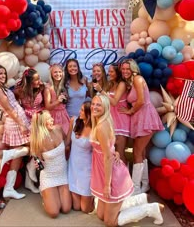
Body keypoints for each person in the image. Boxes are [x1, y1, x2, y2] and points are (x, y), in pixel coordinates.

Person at [90, 94, 164, 226]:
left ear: (106, 107)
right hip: (103, 170)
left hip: (111, 174)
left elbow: (107, 157)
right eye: (93, 103)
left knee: (109, 222)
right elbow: (112, 143)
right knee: (100, 215)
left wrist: (107, 185)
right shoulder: (101, 121)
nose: (94, 107)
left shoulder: (101, 126)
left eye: (98, 105)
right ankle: (139, 199)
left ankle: (151, 209)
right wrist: (116, 152)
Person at [120, 59, 164, 195]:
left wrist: (130, 111)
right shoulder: (131, 82)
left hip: (145, 116)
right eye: (123, 69)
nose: (125, 71)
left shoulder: (138, 79)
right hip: (139, 118)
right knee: (142, 152)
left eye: (128, 69)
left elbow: (141, 101)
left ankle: (136, 188)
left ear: (134, 69)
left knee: (136, 152)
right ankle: (145, 185)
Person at [0, 65, 29, 200]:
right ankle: (7, 154)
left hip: (16, 120)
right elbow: (9, 109)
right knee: (32, 146)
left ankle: (8, 189)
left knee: (18, 157)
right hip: (15, 121)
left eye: (4, 73)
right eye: (0, 74)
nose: (3, 76)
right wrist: (21, 123)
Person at [30, 110, 72, 218]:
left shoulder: (58, 129)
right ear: (42, 123)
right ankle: (45, 195)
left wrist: (71, 126)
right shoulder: (38, 140)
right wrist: (38, 163)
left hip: (62, 174)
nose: (52, 120)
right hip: (49, 176)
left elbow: (67, 143)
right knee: (54, 213)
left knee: (66, 209)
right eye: (49, 119)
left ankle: (54, 194)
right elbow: (39, 163)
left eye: (51, 117)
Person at [14, 68, 45, 194]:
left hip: (40, 118)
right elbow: (14, 106)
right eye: (36, 79)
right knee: (36, 145)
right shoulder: (19, 92)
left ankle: (31, 168)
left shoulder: (42, 87)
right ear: (29, 82)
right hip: (28, 121)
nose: (39, 81)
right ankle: (30, 169)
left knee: (43, 145)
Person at [66, 101, 94, 213]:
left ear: (89, 113)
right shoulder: (74, 121)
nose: (79, 112)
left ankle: (95, 198)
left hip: (86, 170)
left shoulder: (95, 129)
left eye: (82, 110)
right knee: (76, 207)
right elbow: (67, 142)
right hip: (73, 168)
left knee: (85, 209)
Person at [99, 63, 130, 164]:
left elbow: (114, 102)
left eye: (111, 71)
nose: (109, 73)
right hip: (110, 120)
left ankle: (125, 178)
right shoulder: (110, 84)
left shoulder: (122, 84)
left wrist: (101, 91)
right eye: (109, 71)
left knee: (120, 153)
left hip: (120, 119)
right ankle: (114, 177)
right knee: (111, 152)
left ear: (118, 72)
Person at [44, 64, 70, 135]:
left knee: (66, 136)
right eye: (55, 72)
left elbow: (65, 102)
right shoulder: (48, 88)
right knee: (56, 138)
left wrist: (66, 98)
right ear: (51, 74)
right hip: (53, 116)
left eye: (59, 72)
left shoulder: (64, 86)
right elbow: (47, 107)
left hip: (64, 115)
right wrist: (58, 101)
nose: (58, 74)